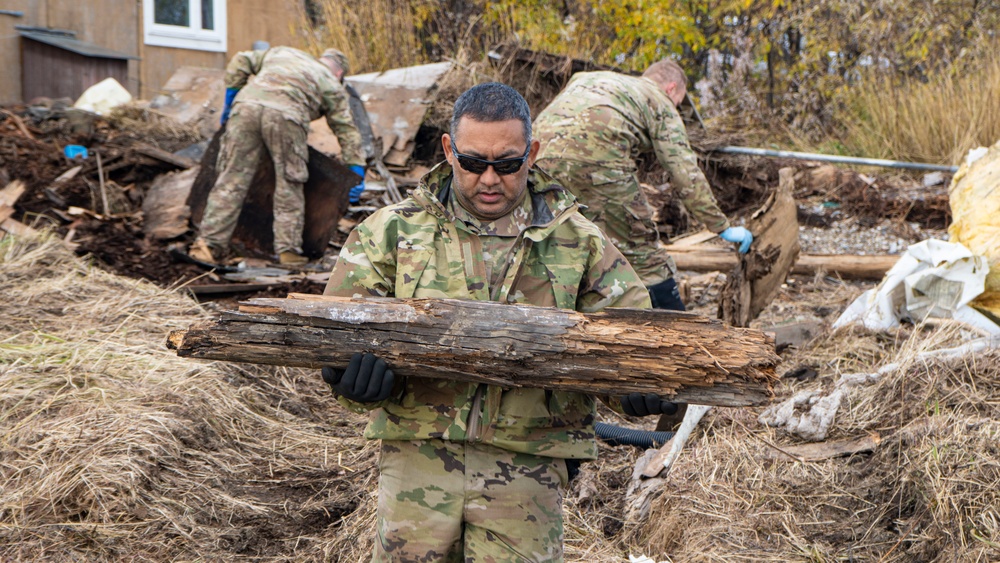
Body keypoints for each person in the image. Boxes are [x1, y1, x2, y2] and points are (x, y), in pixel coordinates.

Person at [320, 82, 672, 561]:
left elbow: (632, 339)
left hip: (526, 470)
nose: (489, 178)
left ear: (532, 153)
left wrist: (632, 387)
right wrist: (351, 382)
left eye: (507, 164)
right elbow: (334, 332)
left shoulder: (581, 243)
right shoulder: (392, 232)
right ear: (448, 150)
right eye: (472, 162)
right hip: (417, 462)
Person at [534, 58, 754, 312]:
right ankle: (680, 337)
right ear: (671, 88)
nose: (676, 107)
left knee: (569, 243)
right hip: (598, 160)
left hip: (540, 157)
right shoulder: (658, 99)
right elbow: (683, 170)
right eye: (678, 103)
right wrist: (721, 226)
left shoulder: (587, 79)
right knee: (644, 256)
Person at [189, 46, 365, 266]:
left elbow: (241, 60)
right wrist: (356, 166)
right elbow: (346, 129)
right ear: (339, 73)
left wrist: (231, 97)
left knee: (231, 177)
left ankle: (208, 246)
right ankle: (288, 253)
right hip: (288, 116)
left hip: (246, 107)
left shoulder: (283, 53)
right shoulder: (331, 83)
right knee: (289, 183)